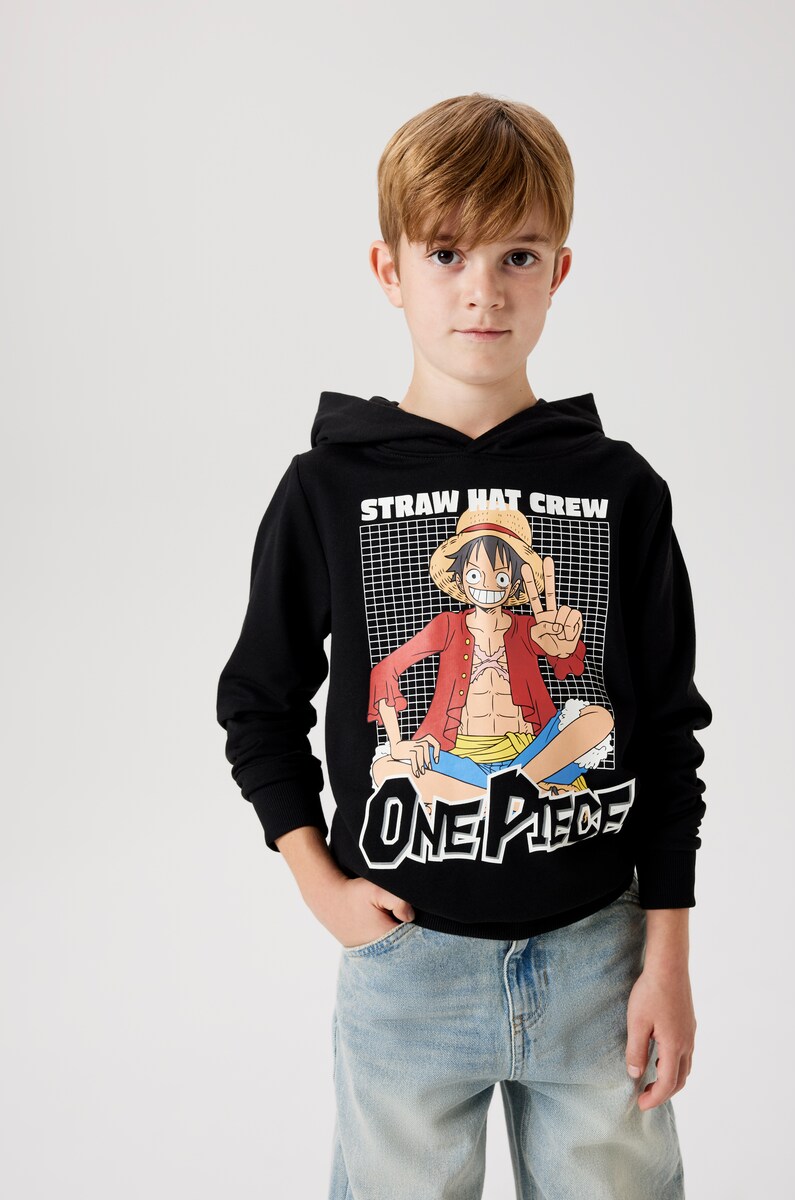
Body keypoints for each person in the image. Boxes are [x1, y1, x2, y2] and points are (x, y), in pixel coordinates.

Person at [216, 92, 712, 1200]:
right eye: (446, 253)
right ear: (389, 268)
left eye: (517, 255)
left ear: (560, 271)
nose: (483, 288)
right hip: (408, 962)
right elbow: (258, 698)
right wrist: (318, 880)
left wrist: (668, 957)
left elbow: (668, 729)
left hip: (598, 956)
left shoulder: (620, 488)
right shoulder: (328, 487)